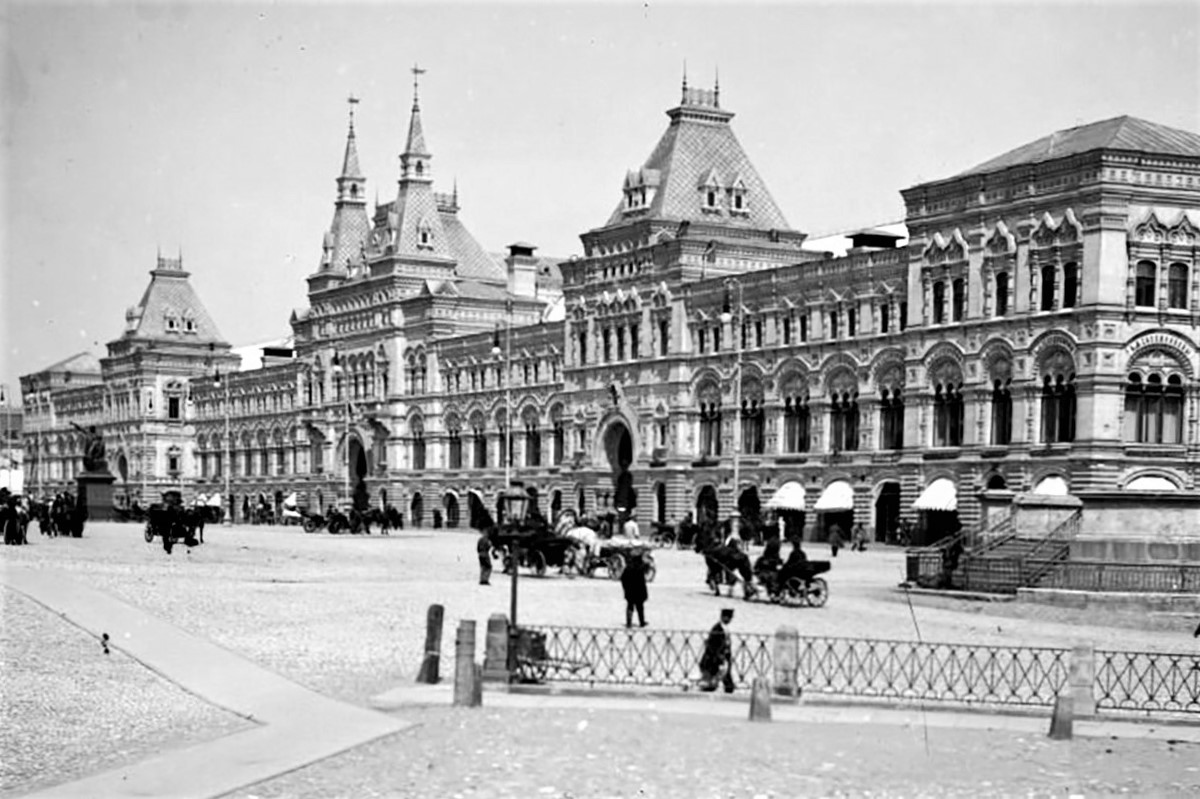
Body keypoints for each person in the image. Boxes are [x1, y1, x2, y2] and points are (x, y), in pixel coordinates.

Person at [699, 608, 736, 693]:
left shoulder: (724, 628)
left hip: (723, 658)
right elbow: (712, 645)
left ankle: (729, 688)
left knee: (724, 679)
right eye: (728, 617)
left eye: (730, 618)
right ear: (723, 617)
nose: (729, 620)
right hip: (714, 659)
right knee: (712, 682)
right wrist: (719, 656)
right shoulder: (717, 629)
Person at [620, 548, 649, 627]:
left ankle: (629, 623)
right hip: (639, 591)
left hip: (630, 591)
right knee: (640, 607)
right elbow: (647, 569)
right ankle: (641, 622)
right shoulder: (641, 567)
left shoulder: (628, 567)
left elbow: (623, 579)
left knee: (630, 606)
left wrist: (625, 588)